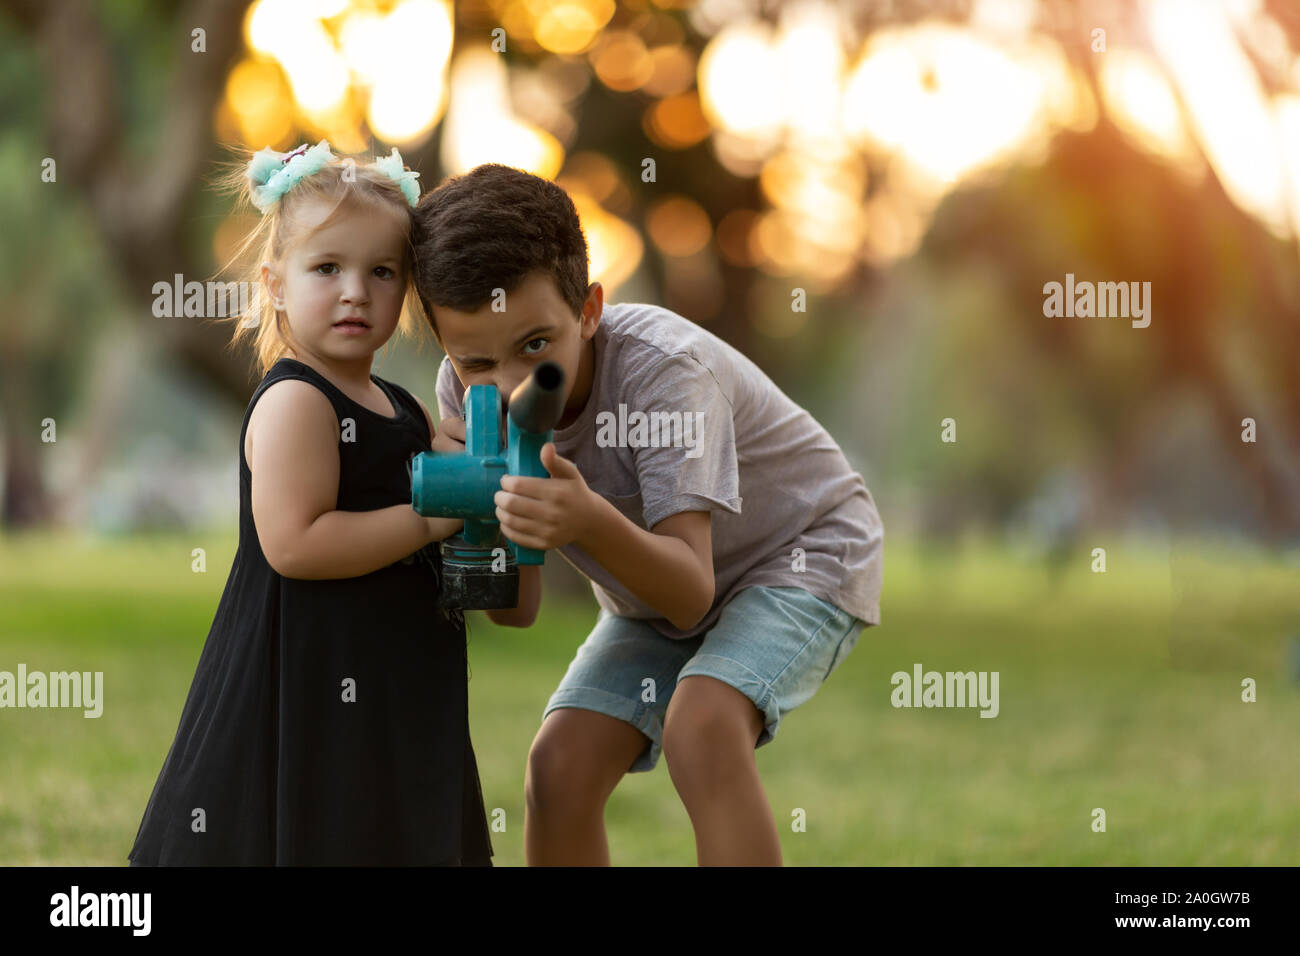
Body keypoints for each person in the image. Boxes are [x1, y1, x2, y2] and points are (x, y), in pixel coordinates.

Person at [413, 163, 884, 866]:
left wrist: (585, 520)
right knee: (559, 767)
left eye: (535, 347)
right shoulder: (463, 391)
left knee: (701, 725)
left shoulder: (665, 375)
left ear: (590, 309)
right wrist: (483, 522)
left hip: (801, 549)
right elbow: (519, 611)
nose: (508, 386)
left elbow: (691, 593)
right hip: (654, 591)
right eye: (476, 360)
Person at [128, 141, 493, 865]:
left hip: (393, 681)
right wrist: (437, 509)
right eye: (327, 267)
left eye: (382, 271)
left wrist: (465, 470)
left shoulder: (402, 406)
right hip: (310, 678)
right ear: (275, 284)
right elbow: (295, 543)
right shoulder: (297, 399)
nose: (356, 290)